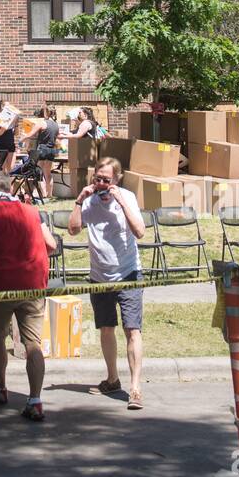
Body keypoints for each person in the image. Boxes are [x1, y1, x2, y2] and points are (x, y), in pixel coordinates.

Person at [0, 171, 57, 421]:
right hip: (33, 284)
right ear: (11, 188)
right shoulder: (32, 211)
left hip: (0, 286)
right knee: (33, 343)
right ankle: (35, 400)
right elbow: (51, 245)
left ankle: (1, 387)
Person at [68, 156, 146, 410]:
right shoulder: (89, 201)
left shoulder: (127, 197)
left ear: (117, 179)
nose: (101, 184)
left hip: (128, 273)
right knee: (106, 328)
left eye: (106, 180)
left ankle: (135, 388)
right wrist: (80, 200)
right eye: (97, 179)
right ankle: (112, 378)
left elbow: (140, 232)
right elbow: (73, 229)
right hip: (99, 276)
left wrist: (121, 202)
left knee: (132, 329)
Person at [32, 105, 60, 200]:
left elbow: (33, 133)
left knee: (39, 172)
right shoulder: (56, 125)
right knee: (48, 173)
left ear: (47, 112)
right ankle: (50, 194)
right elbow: (57, 139)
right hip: (52, 149)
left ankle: (43, 194)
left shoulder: (43, 123)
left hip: (42, 148)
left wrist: (24, 138)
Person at [0, 99, 19, 172]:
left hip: (10, 144)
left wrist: (16, 123)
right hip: (0, 144)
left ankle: (8, 183)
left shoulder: (11, 117)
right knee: (0, 168)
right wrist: (4, 126)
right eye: (8, 106)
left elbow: (16, 133)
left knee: (10, 169)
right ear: (2, 107)